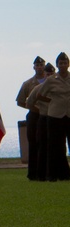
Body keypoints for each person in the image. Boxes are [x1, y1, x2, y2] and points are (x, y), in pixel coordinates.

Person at [27, 53, 70, 182]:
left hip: (68, 115)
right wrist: (51, 101)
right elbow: (39, 95)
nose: (63, 65)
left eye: (65, 62)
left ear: (68, 64)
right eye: (60, 63)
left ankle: (65, 174)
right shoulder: (51, 80)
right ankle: (50, 175)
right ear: (57, 65)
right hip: (54, 116)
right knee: (53, 146)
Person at [16, 56, 50, 181]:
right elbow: (20, 101)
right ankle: (33, 173)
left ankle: (48, 172)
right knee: (34, 143)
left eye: (42, 65)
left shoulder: (51, 81)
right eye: (37, 65)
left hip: (50, 115)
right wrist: (34, 108)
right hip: (35, 116)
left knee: (48, 144)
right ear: (34, 67)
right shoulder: (28, 84)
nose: (40, 67)